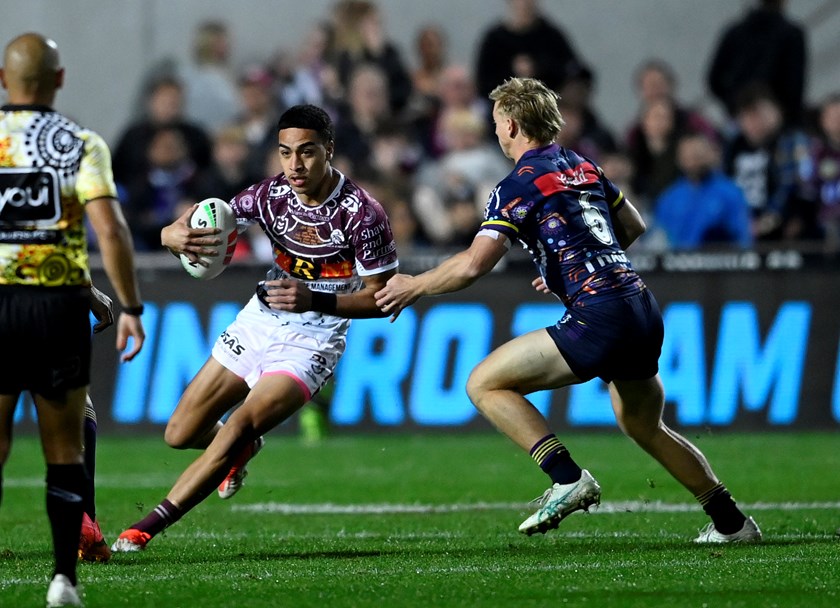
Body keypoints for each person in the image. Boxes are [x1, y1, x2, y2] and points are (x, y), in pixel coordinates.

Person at [374, 77, 761, 543]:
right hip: (640, 307)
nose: (496, 132)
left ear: (512, 125)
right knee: (644, 425)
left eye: (498, 123)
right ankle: (732, 523)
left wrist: (415, 285)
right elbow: (633, 225)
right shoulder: (582, 165)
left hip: (599, 315)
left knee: (484, 383)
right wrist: (572, 263)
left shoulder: (517, 184)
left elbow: (474, 264)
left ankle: (566, 477)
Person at [111, 104, 398, 552]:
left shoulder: (363, 213)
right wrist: (172, 234)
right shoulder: (270, 195)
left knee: (238, 424)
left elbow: (383, 299)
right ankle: (242, 450)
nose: (295, 165)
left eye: (306, 153)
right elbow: (210, 218)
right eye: (285, 153)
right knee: (179, 433)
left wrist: (315, 298)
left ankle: (146, 526)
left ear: (330, 150)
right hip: (260, 319)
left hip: (313, 340)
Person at [0, 33, 146, 607]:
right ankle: (63, 579)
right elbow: (108, 230)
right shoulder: (79, 144)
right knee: (64, 449)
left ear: (3, 78)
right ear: (59, 80)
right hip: (58, 306)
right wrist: (129, 306)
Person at [706, 0, 807, 128]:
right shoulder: (792, 35)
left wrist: (735, 105)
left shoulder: (734, 32)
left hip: (740, 120)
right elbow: (795, 86)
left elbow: (714, 79)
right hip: (778, 122)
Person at [654, 132, 753, 250]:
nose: (693, 161)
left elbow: (743, 239)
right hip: (675, 265)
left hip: (718, 264)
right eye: (688, 156)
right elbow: (658, 241)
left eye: (697, 155)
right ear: (679, 159)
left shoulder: (731, 193)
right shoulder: (668, 199)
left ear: (710, 154)